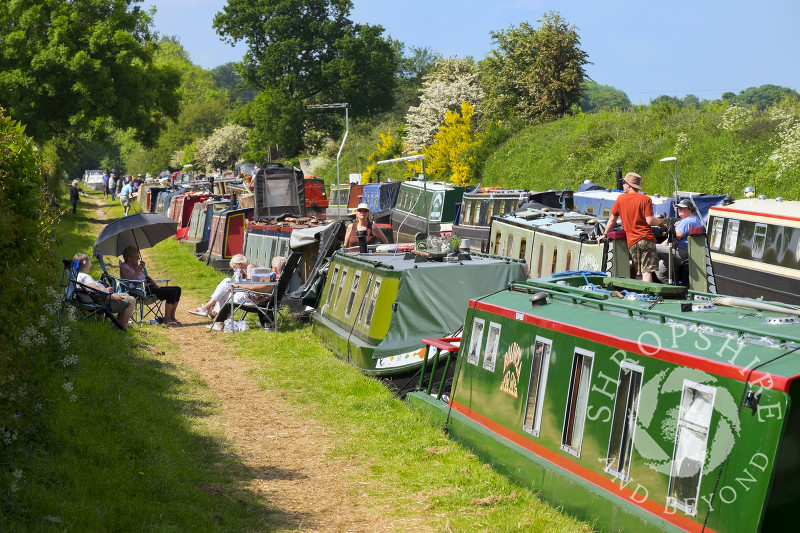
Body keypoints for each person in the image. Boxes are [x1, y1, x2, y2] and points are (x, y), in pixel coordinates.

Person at [597, 172, 663, 282]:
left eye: (624, 183)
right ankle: (647, 297)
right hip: (646, 239)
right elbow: (650, 220)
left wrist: (604, 234)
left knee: (638, 273)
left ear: (628, 185)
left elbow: (612, 220)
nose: (623, 185)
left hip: (631, 241)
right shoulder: (645, 199)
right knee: (646, 272)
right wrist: (662, 222)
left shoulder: (620, 199)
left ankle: (638, 296)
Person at [205, 255, 288, 331]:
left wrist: (239, 286)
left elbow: (255, 288)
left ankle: (218, 320)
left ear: (275, 269)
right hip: (263, 302)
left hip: (253, 303)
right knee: (225, 289)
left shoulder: (271, 279)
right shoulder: (280, 280)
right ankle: (213, 313)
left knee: (225, 291)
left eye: (272, 267)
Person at [119, 245, 183, 326]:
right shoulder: (124, 268)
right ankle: (167, 320)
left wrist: (154, 284)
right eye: (136, 257)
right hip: (140, 291)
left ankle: (172, 318)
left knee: (178, 289)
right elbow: (129, 283)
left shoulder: (136, 266)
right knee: (172, 292)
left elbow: (146, 278)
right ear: (129, 258)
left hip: (150, 288)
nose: (139, 259)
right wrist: (138, 270)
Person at [73, 253, 135, 330]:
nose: (90, 265)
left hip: (96, 298)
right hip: (101, 302)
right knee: (132, 300)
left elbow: (92, 289)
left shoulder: (78, 275)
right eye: (89, 262)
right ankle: (124, 327)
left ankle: (118, 324)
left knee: (126, 295)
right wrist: (112, 297)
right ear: (85, 264)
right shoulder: (85, 277)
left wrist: (106, 290)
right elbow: (97, 291)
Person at [656, 199, 704, 282]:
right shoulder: (696, 220)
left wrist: (660, 246)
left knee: (651, 247)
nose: (679, 210)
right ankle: (673, 290)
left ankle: (637, 268)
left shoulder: (686, 221)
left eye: (682, 208)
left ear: (689, 209)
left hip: (680, 252)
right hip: (689, 253)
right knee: (660, 270)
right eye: (678, 208)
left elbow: (673, 239)